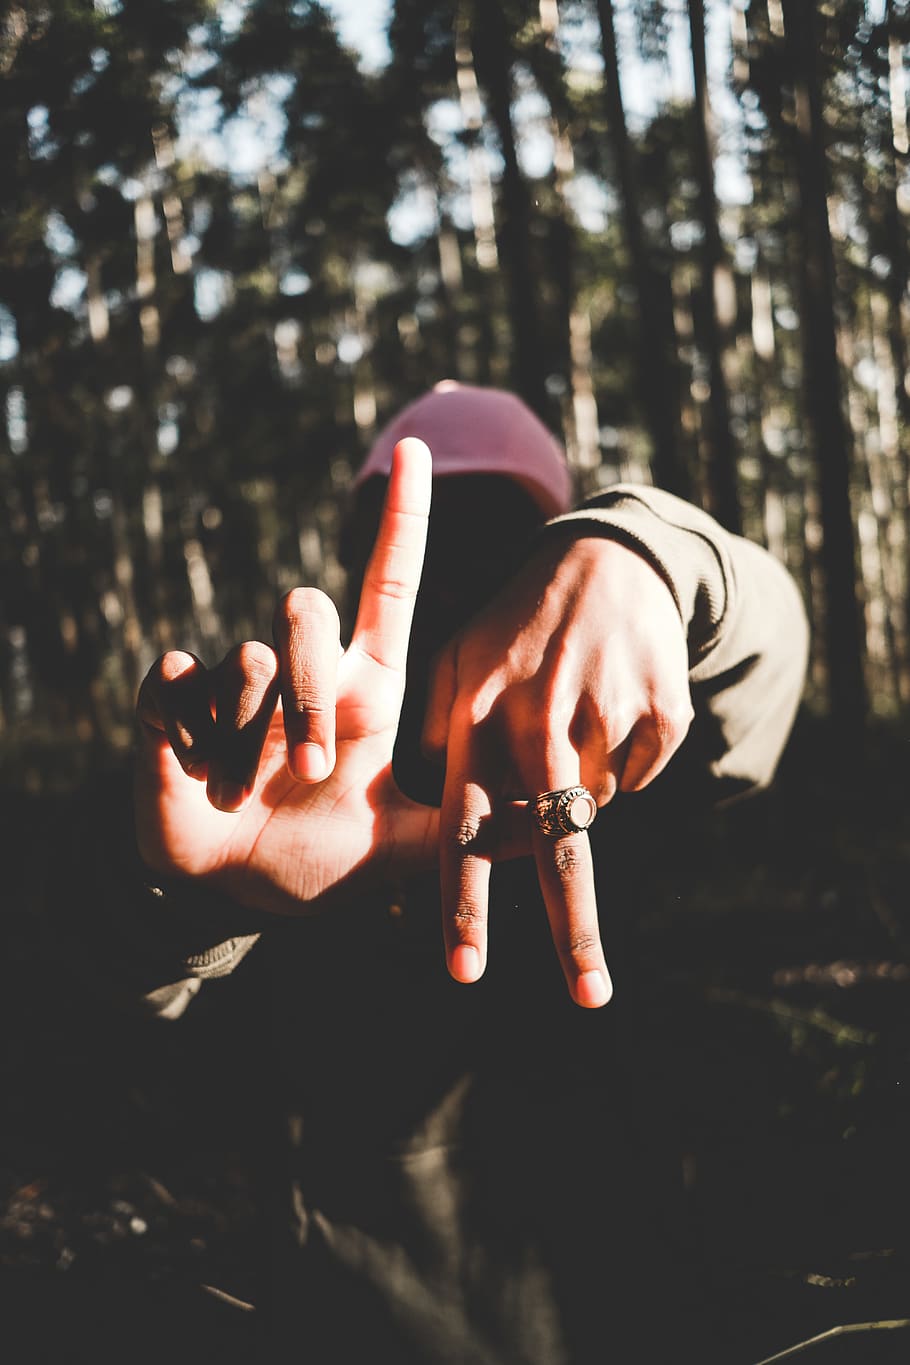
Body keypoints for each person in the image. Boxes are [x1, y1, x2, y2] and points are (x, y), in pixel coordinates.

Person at [52, 381, 808, 1362]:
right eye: (417, 542)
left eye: (500, 540)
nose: (456, 585)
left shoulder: (609, 761)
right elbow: (87, 1053)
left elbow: (761, 663)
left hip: (632, 1305)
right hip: (346, 1319)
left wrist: (647, 556)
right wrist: (186, 904)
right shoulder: (287, 778)